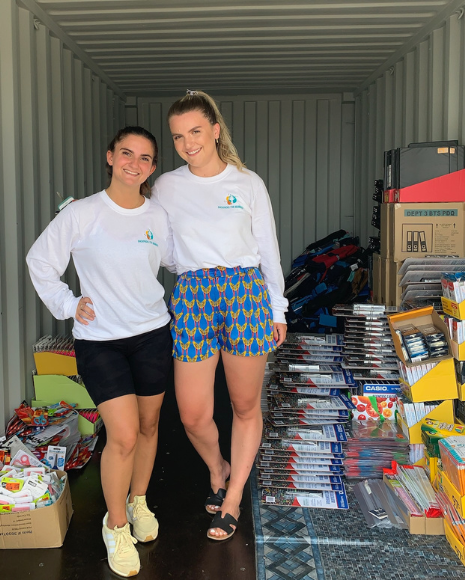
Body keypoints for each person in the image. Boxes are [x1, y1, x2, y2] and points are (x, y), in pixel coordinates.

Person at [26, 127, 171, 577]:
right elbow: (40, 261)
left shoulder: (158, 215)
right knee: (123, 434)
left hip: (152, 333)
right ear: (110, 157)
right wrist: (70, 305)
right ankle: (116, 524)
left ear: (151, 168)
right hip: (100, 340)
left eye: (145, 158)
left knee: (148, 427)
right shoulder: (82, 214)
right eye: (126, 153)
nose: (135, 163)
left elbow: (178, 262)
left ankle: (139, 500)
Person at [151, 90, 287, 541]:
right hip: (192, 293)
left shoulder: (247, 183)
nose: (188, 143)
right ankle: (218, 466)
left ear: (214, 129)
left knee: (244, 406)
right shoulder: (167, 186)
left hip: (246, 291)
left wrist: (278, 308)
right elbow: (162, 247)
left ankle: (231, 499)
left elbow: (268, 250)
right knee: (192, 414)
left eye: (195, 132)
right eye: (178, 137)